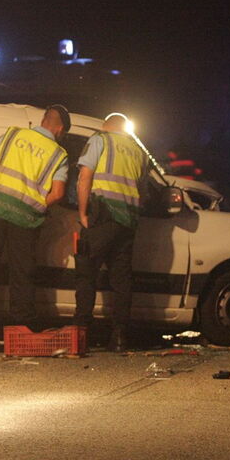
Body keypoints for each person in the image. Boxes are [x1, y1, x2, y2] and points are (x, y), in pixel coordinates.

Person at [0, 105, 71, 355]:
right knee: (21, 272)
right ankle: (19, 336)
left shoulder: (12, 134)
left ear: (43, 120)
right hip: (24, 218)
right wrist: (35, 204)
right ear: (60, 128)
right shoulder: (58, 154)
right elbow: (57, 193)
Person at [73, 113, 148, 351]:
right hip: (127, 221)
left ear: (106, 125)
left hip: (102, 216)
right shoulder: (138, 151)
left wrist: (83, 213)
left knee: (86, 273)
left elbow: (84, 177)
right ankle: (119, 337)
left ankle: (81, 333)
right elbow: (142, 191)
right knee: (121, 280)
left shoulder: (100, 140)